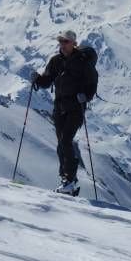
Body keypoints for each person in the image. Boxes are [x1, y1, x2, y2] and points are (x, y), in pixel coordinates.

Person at [32, 30, 98, 196]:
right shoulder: (55, 61)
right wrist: (38, 79)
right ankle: (68, 181)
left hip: (76, 108)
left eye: (66, 41)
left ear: (74, 43)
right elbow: (47, 81)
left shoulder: (83, 62)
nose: (62, 44)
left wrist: (86, 96)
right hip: (59, 107)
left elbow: (92, 83)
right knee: (62, 143)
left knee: (66, 140)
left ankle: (69, 180)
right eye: (61, 41)